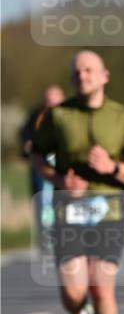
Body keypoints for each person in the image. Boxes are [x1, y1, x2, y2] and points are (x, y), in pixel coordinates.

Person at [31, 51, 124, 314]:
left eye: (88, 70)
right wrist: (58, 179)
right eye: (76, 71)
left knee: (101, 287)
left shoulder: (122, 116)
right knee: (72, 290)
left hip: (109, 212)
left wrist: (112, 167)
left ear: (104, 76)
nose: (82, 76)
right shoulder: (58, 115)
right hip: (68, 211)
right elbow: (37, 156)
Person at [20, 84, 65, 250]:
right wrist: (28, 144)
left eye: (54, 100)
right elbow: (25, 133)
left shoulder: (70, 114)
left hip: (62, 165)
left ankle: (64, 234)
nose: (51, 104)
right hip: (41, 166)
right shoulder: (36, 115)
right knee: (43, 200)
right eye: (48, 100)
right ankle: (46, 238)